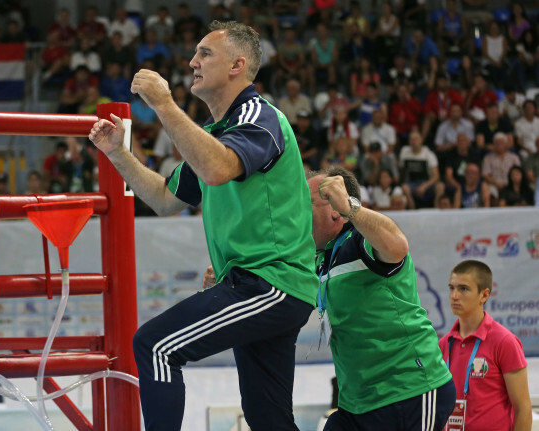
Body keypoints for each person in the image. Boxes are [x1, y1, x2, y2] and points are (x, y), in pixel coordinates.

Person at [88, 21, 317, 431]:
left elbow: (215, 169)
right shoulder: (213, 134)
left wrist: (164, 105)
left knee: (155, 346)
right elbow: (162, 199)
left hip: (269, 283)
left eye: (204, 54)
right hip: (270, 286)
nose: (192, 62)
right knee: (269, 419)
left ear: (237, 65)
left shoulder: (258, 116)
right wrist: (116, 153)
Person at [306, 166, 455, 430]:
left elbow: (398, 245)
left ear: (334, 208)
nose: (298, 213)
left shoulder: (359, 240)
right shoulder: (323, 258)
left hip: (409, 391)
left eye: (307, 203)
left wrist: (351, 208)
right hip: (357, 403)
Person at [439, 260, 532, 431]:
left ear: (484, 295)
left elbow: (523, 409)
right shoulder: (443, 344)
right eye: (451, 288)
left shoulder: (504, 341)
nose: (454, 296)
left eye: (463, 289)